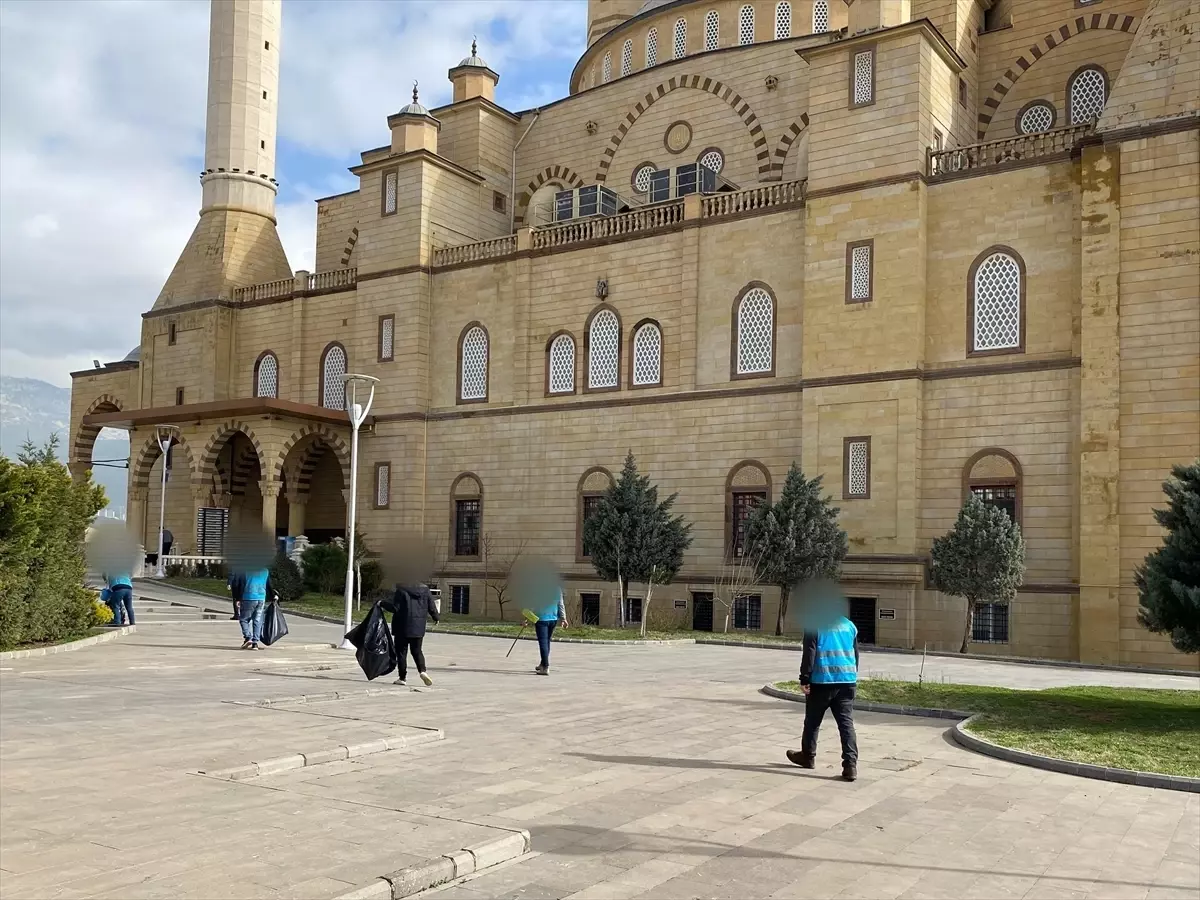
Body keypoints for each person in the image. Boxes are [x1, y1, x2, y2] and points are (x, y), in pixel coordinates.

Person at [787, 613, 860, 781]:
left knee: (812, 722)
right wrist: (852, 676)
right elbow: (855, 654)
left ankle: (808, 756)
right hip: (847, 681)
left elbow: (809, 652)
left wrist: (804, 677)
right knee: (846, 724)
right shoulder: (849, 625)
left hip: (822, 681)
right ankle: (850, 766)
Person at [384, 582, 439, 686]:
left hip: (401, 627)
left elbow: (395, 607)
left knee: (401, 653)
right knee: (417, 651)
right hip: (418, 627)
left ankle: (402, 678)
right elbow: (431, 605)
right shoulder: (425, 590)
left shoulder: (401, 590)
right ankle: (422, 671)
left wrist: (382, 603)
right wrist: (436, 617)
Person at [230, 566, 274, 650]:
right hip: (261, 598)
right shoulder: (265, 571)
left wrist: (237, 598)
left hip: (248, 597)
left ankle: (248, 637)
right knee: (257, 620)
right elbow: (268, 585)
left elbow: (237, 583)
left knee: (243, 619)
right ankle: (255, 643)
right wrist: (273, 596)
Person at [534, 587, 568, 676]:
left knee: (543, 642)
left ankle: (545, 667)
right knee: (547, 641)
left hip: (541, 618)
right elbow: (561, 604)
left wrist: (526, 619)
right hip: (553, 619)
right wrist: (563, 618)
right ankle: (542, 664)